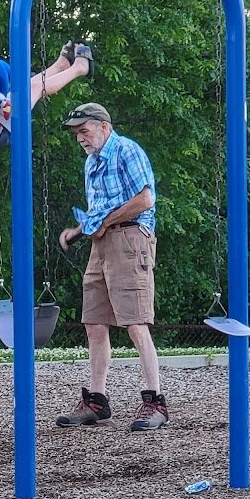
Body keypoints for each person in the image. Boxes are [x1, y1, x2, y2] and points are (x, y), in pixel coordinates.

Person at [55, 102, 169, 431]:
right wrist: (78, 230)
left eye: (84, 131)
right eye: (77, 134)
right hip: (100, 243)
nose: (80, 138)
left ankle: (155, 401)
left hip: (131, 240)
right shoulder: (92, 162)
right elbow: (100, 211)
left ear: (104, 127)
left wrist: (106, 221)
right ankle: (96, 400)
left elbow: (145, 200)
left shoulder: (126, 151)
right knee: (94, 322)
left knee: (135, 322)